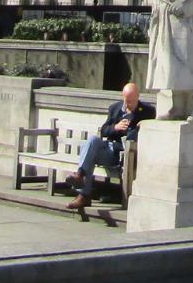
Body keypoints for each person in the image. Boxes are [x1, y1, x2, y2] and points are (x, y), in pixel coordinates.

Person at [65, 81, 154, 213]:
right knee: (92, 140)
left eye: (131, 101)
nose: (128, 104)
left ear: (137, 97)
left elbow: (149, 132)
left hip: (123, 152)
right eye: (126, 100)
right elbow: (104, 130)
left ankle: (83, 195)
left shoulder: (148, 111)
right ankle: (80, 175)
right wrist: (116, 127)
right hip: (109, 148)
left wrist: (138, 127)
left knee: (90, 154)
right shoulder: (115, 108)